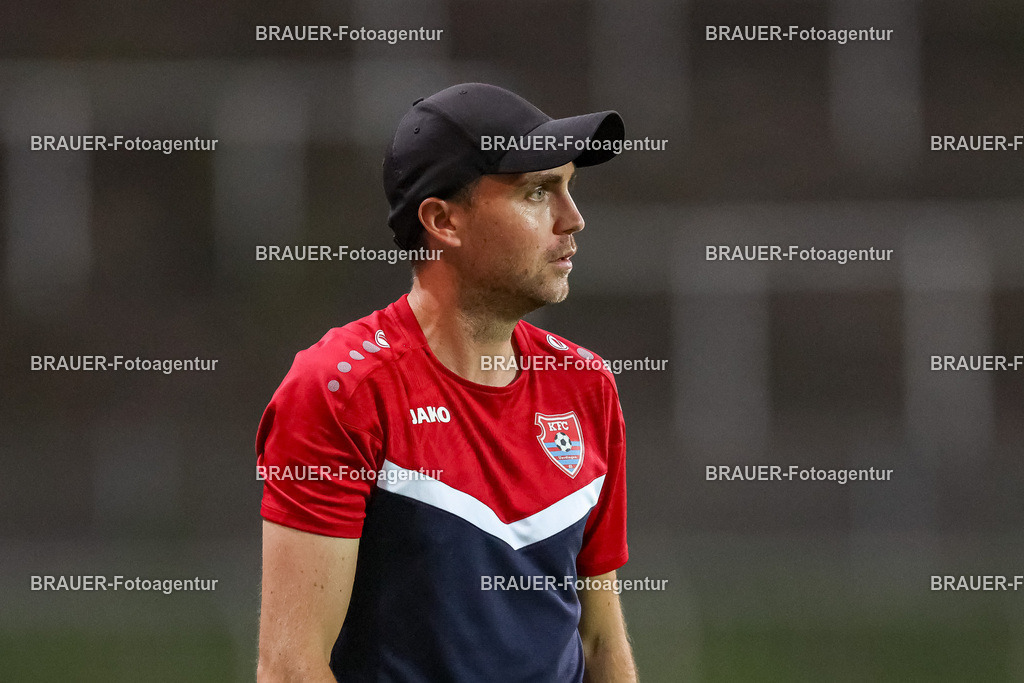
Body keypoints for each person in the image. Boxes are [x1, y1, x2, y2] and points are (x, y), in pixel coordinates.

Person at [256, 82, 637, 682]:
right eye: (539, 192)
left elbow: (599, 638)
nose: (573, 219)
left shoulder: (585, 384)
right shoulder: (340, 388)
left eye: (570, 188)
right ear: (443, 221)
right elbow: (290, 666)